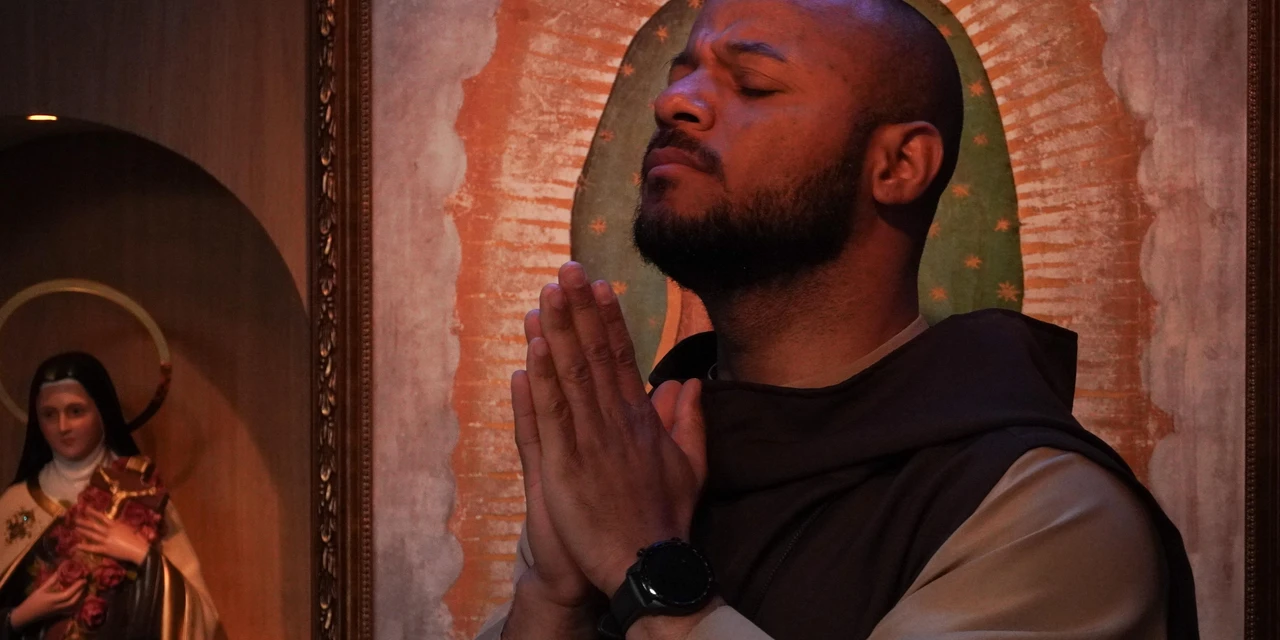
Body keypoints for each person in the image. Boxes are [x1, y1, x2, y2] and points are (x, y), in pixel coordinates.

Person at [477, 0, 1199, 638]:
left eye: (752, 82)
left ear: (899, 165)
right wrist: (553, 599)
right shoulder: (631, 459)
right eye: (682, 74)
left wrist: (650, 574)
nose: (674, 103)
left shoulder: (1042, 509)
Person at [0, 352, 218, 639]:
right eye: (49, 414)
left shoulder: (139, 493)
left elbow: (200, 615)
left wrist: (140, 554)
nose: (63, 426)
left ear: (102, 412)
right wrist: (21, 615)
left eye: (76, 411)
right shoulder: (17, 503)